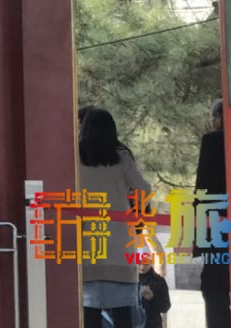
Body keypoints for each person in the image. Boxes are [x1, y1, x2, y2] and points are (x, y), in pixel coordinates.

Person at [78, 108, 151, 328]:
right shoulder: (122, 156)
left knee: (89, 314)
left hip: (88, 242)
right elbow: (144, 190)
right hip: (119, 243)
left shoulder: (75, 156)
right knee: (123, 314)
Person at [195, 100, 229, 328]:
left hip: (216, 224)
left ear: (219, 117)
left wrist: (199, 235)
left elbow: (204, 187)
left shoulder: (212, 141)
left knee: (214, 287)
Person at [138, 264, 171, 328]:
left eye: (145, 263)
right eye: (139, 262)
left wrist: (152, 298)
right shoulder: (129, 281)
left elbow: (165, 307)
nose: (142, 266)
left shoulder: (159, 280)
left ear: (150, 263)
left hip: (152, 323)